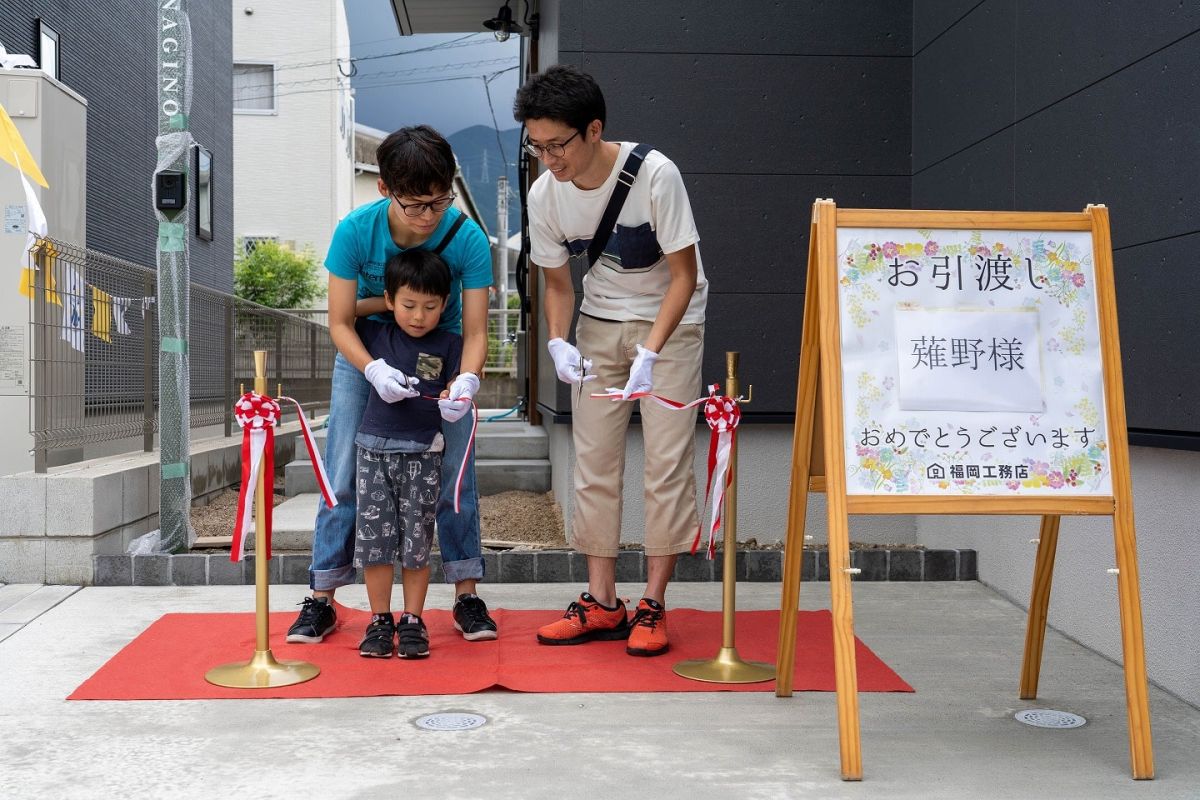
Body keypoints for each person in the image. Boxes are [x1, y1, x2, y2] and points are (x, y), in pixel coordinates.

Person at [515, 65, 708, 657]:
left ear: (592, 130)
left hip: (672, 325)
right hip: (597, 325)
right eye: (536, 146)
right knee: (593, 460)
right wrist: (557, 341)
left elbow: (685, 274)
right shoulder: (544, 194)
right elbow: (557, 285)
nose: (549, 159)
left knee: (666, 463)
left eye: (557, 145)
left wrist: (652, 349)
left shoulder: (656, 174)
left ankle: (653, 603)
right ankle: (602, 602)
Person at [287, 126, 498, 645]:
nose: (430, 215)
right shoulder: (355, 231)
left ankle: (466, 595)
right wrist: (373, 370)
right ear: (385, 188)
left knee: (454, 473)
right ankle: (322, 598)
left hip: (441, 360)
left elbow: (474, 331)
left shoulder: (466, 238)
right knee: (341, 473)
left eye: (440, 200)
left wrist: (466, 381)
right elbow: (338, 321)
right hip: (366, 357)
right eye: (416, 204)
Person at [353, 249, 462, 658]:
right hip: (372, 451)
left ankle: (413, 619)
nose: (419, 316)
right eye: (408, 305)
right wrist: (382, 302)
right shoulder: (378, 334)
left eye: (430, 306)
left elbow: (458, 380)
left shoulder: (450, 342)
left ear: (444, 304)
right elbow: (343, 311)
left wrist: (457, 393)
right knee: (375, 542)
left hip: (423, 452)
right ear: (391, 301)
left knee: (417, 540)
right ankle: (380, 619)